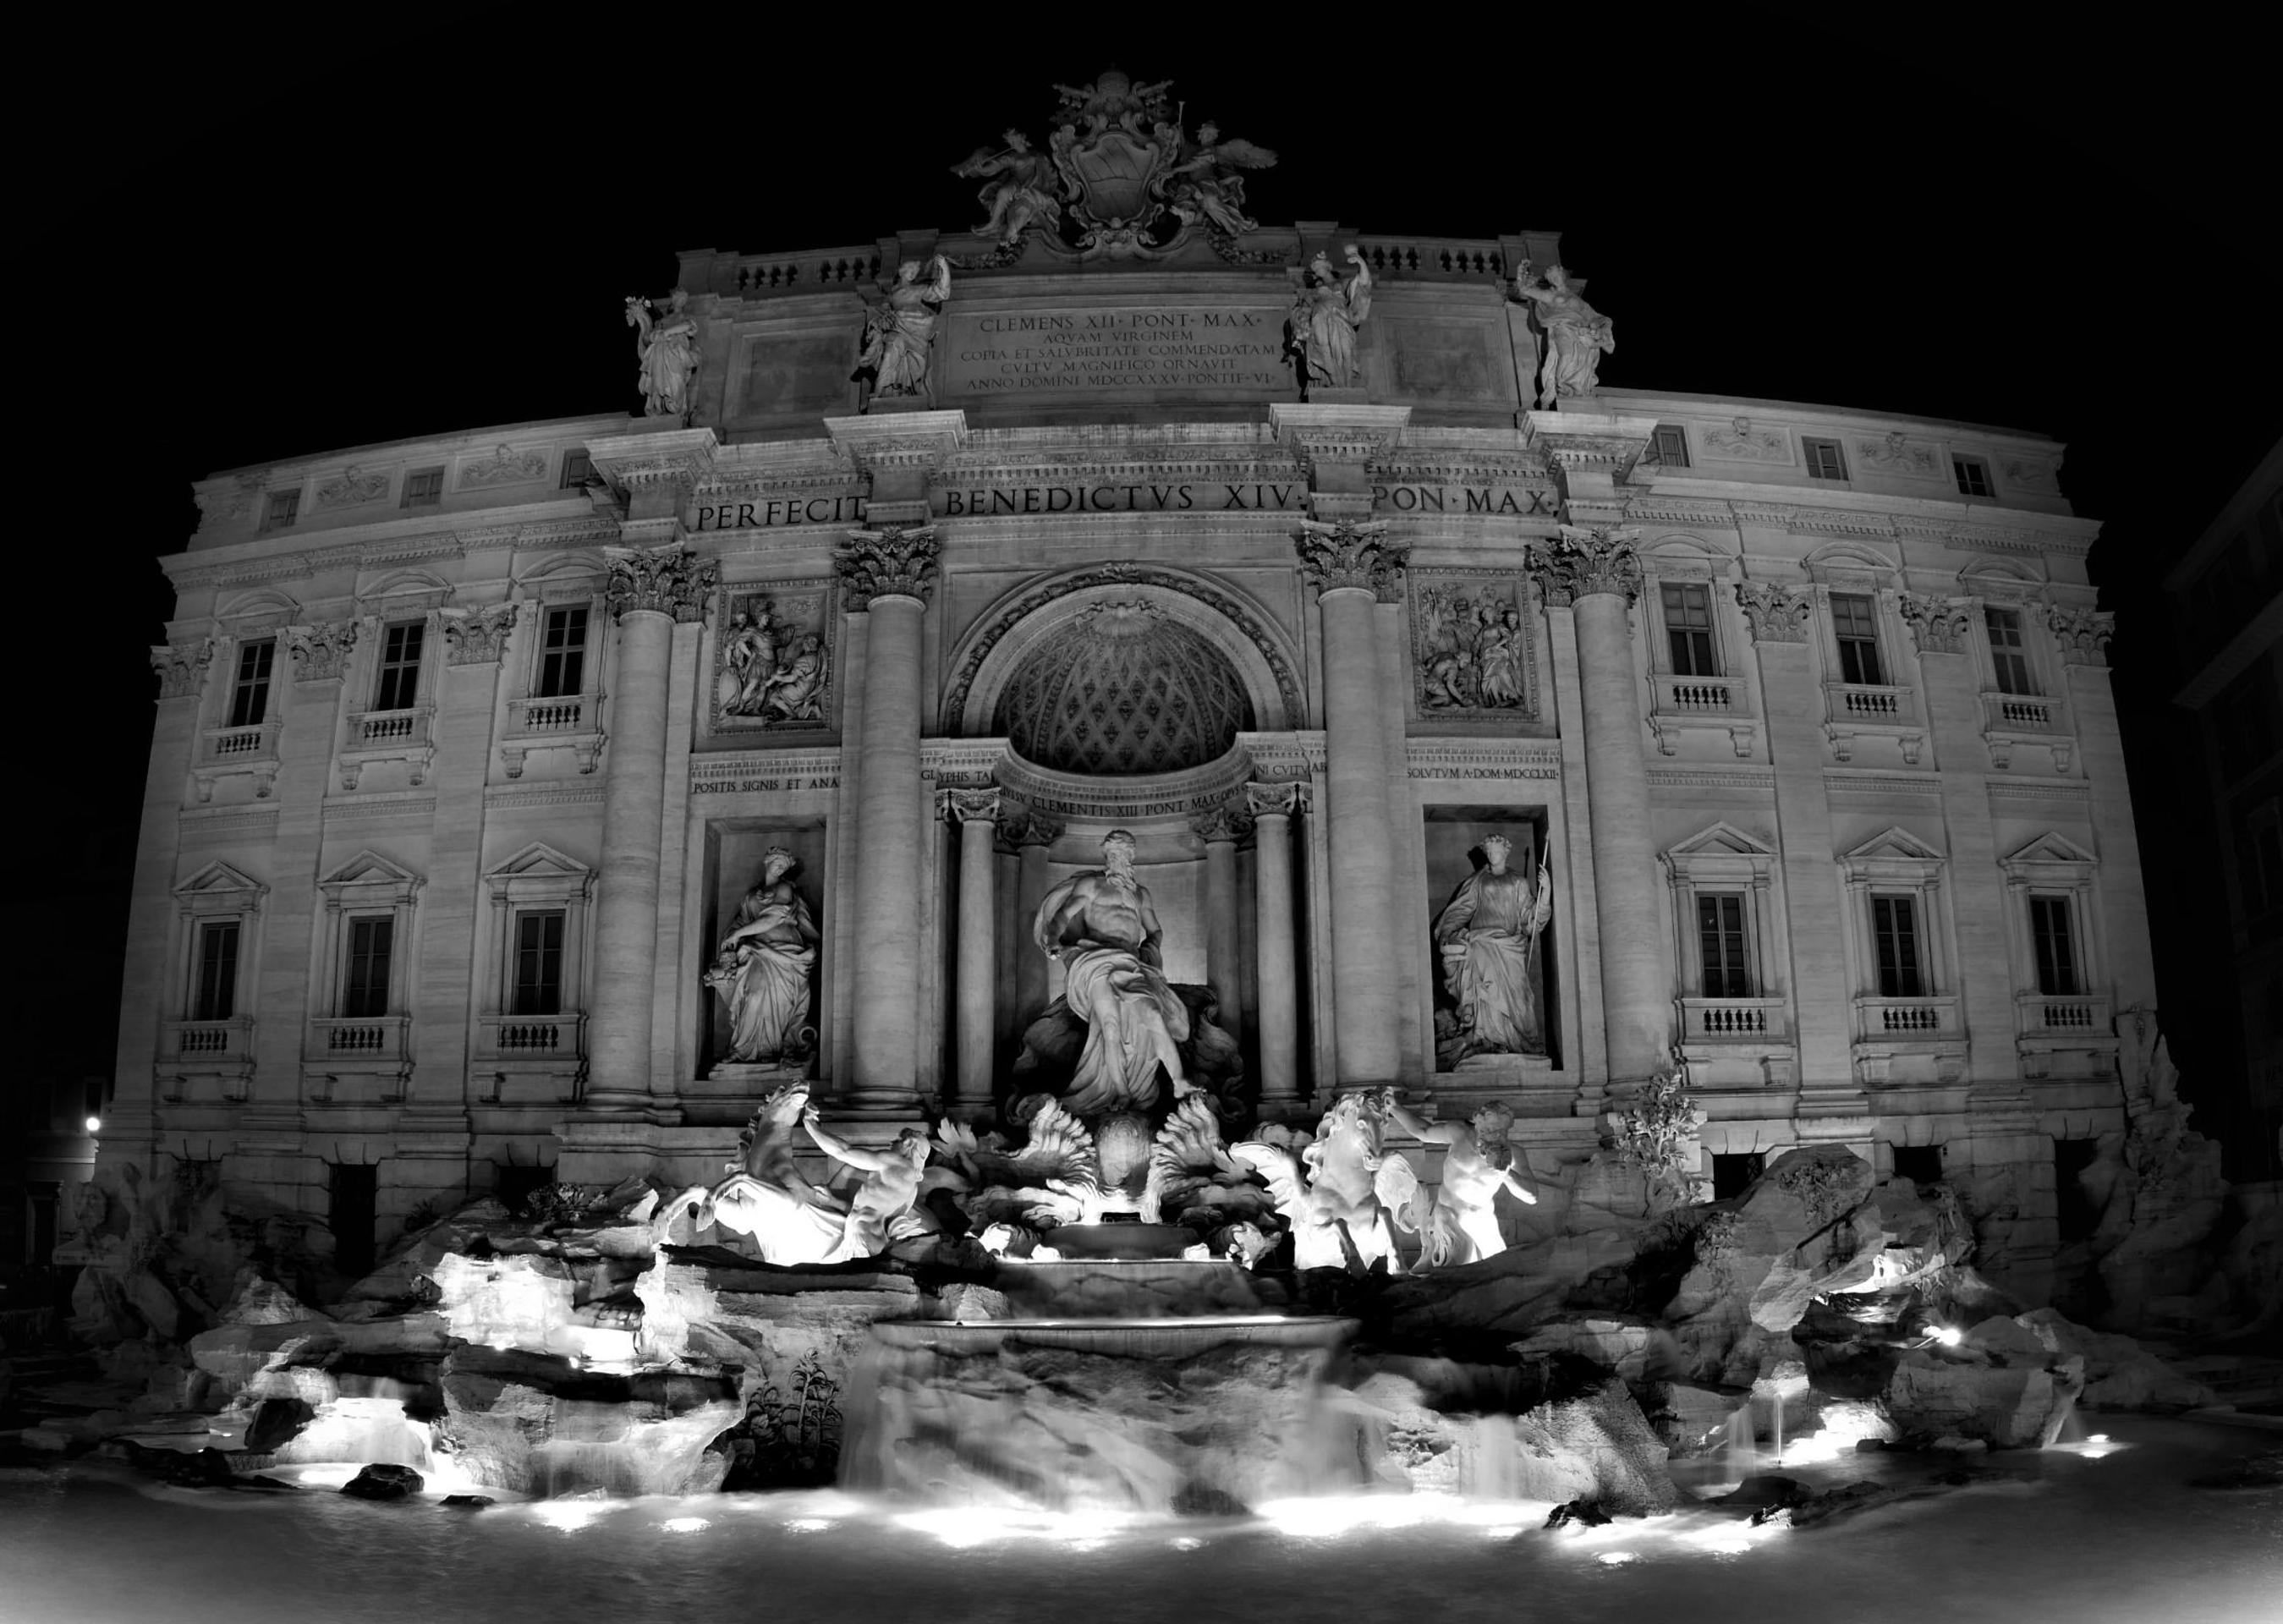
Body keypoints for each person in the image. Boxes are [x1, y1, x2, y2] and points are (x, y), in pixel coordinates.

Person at [1031, 829, 1191, 1116]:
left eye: (1124, 854)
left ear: (1132, 858)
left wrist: (1150, 952)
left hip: (1130, 963)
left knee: (1154, 1015)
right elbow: (1064, 915)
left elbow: (1154, 930)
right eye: (1113, 854)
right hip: (1095, 961)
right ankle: (1121, 1092)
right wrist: (1054, 938)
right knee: (1110, 1027)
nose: (1118, 859)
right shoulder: (1090, 886)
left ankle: (1179, 1081)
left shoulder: (1140, 895)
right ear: (1106, 856)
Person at [1381, 1095, 1537, 1267]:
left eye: (1502, 1132)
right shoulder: (1459, 1132)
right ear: (1478, 1124)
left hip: (1481, 1218)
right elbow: (1423, 1132)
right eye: (1491, 1130)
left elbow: (1532, 1197)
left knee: (1498, 1271)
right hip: (1449, 1215)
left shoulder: (1513, 1154)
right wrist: (1395, 1108)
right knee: (1455, 1267)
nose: (1497, 1136)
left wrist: (1505, 1173)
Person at [1434, 835, 1553, 1057]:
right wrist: (1448, 933)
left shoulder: (1518, 882)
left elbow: (1531, 919)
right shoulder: (1478, 881)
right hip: (1481, 942)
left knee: (1518, 994)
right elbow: (1462, 910)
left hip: (1510, 947)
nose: (1492, 856)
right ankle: (1485, 1038)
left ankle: (1516, 1041)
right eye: (1488, 852)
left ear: (1505, 853)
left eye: (1496, 852)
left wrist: (1545, 893)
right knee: (1484, 989)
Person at [705, 849, 819, 1062]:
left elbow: (774, 917)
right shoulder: (751, 895)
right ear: (767, 862)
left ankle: (769, 1051)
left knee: (774, 1001)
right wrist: (731, 939)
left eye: (785, 866)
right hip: (755, 953)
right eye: (778, 862)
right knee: (753, 996)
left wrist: (739, 934)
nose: (781, 867)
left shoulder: (784, 888)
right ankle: (743, 1051)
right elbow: (741, 923)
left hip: (784, 955)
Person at [799, 1110, 931, 1262]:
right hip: (870, 1239)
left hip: (862, 1238)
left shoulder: (895, 1161)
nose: (892, 1143)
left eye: (898, 1140)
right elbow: (871, 1213)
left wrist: (811, 1126)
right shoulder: (912, 1189)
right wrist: (832, 1202)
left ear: (909, 1144)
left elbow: (843, 1151)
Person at [1511, 263, 1614, 408]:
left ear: (1562, 273)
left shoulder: (1575, 298)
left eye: (1555, 274)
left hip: (1581, 332)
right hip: (1563, 329)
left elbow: (1591, 315)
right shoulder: (1550, 294)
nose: (1553, 277)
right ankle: (1562, 387)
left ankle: (1576, 391)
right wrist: (1521, 271)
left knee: (1582, 359)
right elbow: (1523, 289)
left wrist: (1600, 325)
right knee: (1566, 356)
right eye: (1550, 276)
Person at [853, 255, 952, 399]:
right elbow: (882, 311)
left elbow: (943, 292)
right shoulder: (892, 294)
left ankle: (897, 384)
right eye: (910, 269)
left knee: (895, 347)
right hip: (898, 327)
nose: (913, 273)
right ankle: (880, 389)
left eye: (915, 271)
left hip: (917, 328)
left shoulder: (919, 289)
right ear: (901, 272)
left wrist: (944, 268)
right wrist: (883, 320)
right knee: (890, 349)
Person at [1286, 246, 1374, 392]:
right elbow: (1301, 310)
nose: (1316, 271)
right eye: (1314, 269)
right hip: (1319, 319)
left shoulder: (1342, 283)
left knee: (1345, 350)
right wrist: (1301, 318)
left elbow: (1364, 283)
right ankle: (1333, 382)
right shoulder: (1312, 292)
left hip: (1340, 318)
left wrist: (1361, 262)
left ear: (1328, 267)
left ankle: (1346, 385)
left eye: (1318, 267)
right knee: (1323, 350)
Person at [952, 130, 1062, 245]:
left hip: (1031, 185)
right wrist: (981, 169)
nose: (1012, 143)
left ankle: (1008, 235)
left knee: (1022, 204)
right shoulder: (1011, 157)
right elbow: (996, 166)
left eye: (1013, 140)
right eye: (1010, 141)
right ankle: (993, 223)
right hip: (1016, 182)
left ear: (1022, 138)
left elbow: (1048, 173)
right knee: (1003, 192)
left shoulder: (1036, 155)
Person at [626, 289, 698, 419]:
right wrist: (643, 320)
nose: (680, 300)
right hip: (659, 352)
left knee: (676, 379)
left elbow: (688, 326)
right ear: (673, 300)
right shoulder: (663, 321)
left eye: (683, 298)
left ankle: (674, 405)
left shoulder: (686, 317)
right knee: (658, 369)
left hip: (676, 351)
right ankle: (658, 405)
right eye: (678, 297)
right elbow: (648, 338)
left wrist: (666, 333)